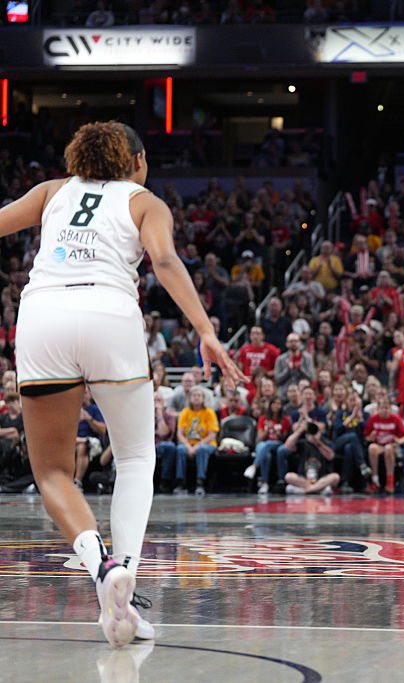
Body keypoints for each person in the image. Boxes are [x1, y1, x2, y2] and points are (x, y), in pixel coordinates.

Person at [0, 122, 242, 647]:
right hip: (110, 313)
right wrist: (205, 331)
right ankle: (124, 590)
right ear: (136, 160)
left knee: (52, 472)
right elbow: (164, 260)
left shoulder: (51, 192)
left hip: (43, 315)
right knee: (135, 459)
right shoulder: (145, 201)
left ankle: (104, 571)